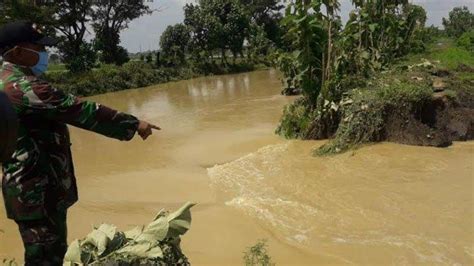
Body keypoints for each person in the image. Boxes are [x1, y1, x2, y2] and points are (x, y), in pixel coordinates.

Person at [0, 21, 160, 265]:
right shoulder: (22, 88)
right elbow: (79, 109)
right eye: (38, 47)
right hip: (37, 191)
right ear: (17, 52)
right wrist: (133, 124)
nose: (44, 53)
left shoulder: (6, 81)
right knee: (46, 257)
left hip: (27, 189)